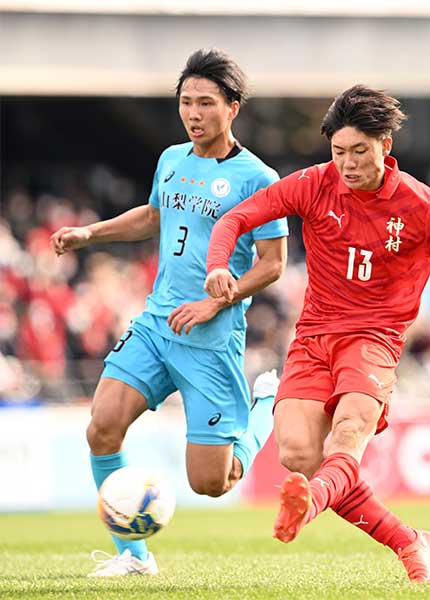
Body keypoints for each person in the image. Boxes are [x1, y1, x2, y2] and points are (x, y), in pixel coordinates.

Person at [204, 85, 430, 583]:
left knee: (346, 437)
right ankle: (410, 541)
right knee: (300, 456)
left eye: (359, 151)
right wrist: (219, 268)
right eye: (338, 152)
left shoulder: (419, 205)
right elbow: (236, 217)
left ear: (385, 146)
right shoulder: (312, 184)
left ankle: (309, 506)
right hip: (313, 337)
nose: (347, 163)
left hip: (374, 342)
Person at [49, 48, 289, 577]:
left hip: (211, 337)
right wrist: (92, 232)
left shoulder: (258, 178)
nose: (194, 113)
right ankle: (134, 557)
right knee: (102, 428)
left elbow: (273, 264)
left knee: (212, 482)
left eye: (206, 103)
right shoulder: (171, 158)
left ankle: (266, 406)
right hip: (157, 324)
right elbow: (155, 216)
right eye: (186, 102)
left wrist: (214, 301)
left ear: (233, 108)